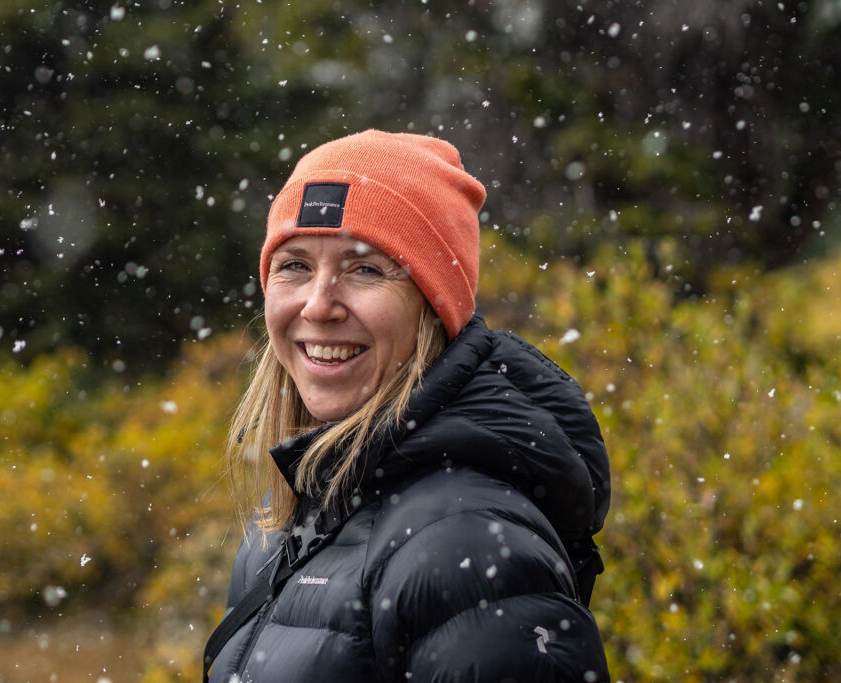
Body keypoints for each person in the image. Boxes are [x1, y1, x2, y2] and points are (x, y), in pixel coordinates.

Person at [204, 130, 611, 682]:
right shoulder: (294, 516)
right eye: (295, 265)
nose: (318, 305)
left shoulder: (465, 544)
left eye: (365, 268)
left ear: (432, 307)